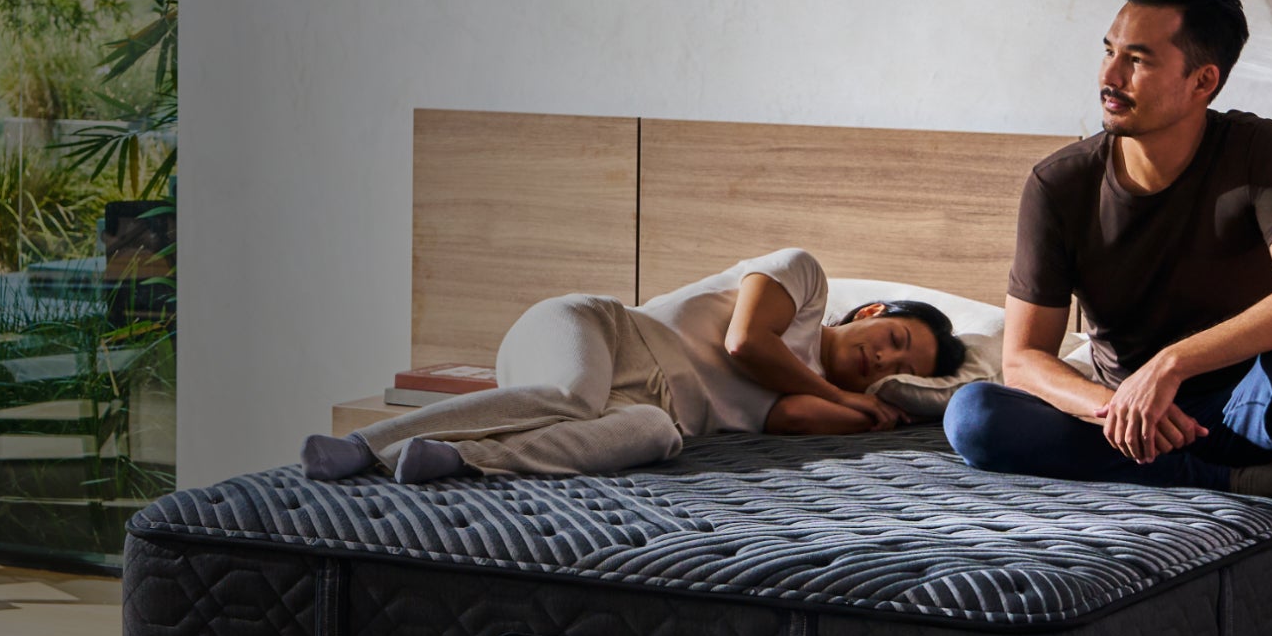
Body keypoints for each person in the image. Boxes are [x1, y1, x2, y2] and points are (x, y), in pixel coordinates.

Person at [941, 0, 1272, 636]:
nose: (1110, 74)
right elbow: (1024, 358)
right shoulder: (1059, 185)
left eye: (1137, 59)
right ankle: (1222, 484)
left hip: (1236, 399)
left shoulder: (1255, 152)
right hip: (1125, 425)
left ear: (1202, 82)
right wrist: (1113, 404)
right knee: (972, 415)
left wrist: (1171, 363)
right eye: (1109, 49)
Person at [304, 247, 968, 483]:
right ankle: (365, 445)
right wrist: (847, 394)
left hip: (646, 407)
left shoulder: (817, 395)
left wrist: (870, 411)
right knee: (571, 395)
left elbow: (792, 415)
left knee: (654, 435)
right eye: (896, 338)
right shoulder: (803, 278)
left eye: (893, 365)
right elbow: (744, 345)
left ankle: (457, 459)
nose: (881, 356)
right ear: (872, 309)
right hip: (595, 332)